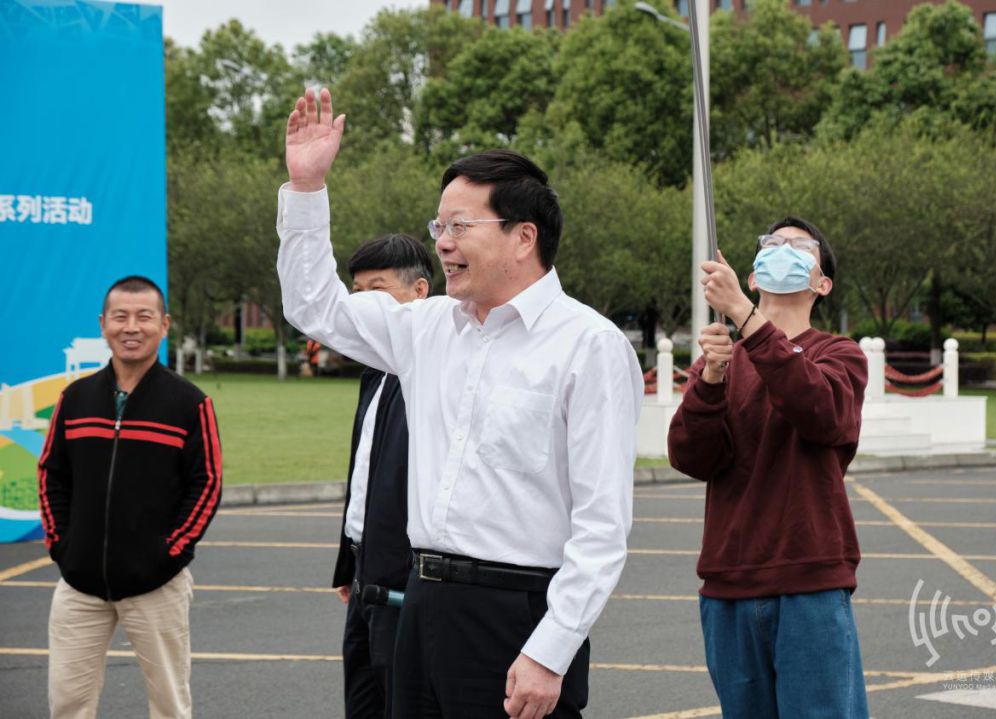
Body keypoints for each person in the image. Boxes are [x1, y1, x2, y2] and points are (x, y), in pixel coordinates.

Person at [276, 87, 643, 718]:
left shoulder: (589, 346)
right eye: (438, 227)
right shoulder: (425, 328)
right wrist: (307, 189)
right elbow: (314, 306)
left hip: (518, 615)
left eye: (460, 227)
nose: (442, 243)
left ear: (523, 237)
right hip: (421, 603)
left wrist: (551, 650)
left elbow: (602, 524)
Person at [668, 218, 870, 719]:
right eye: (773, 243)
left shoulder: (840, 354)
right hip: (728, 586)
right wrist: (710, 382)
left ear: (822, 283)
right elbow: (690, 456)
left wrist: (744, 315)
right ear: (754, 275)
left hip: (810, 584)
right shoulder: (721, 360)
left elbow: (820, 411)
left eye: (800, 246)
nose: (783, 248)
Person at [37, 275, 223, 719]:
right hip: (80, 584)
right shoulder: (75, 398)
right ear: (103, 324)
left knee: (169, 705)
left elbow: (207, 483)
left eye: (144, 316)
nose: (131, 327)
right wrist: (61, 545)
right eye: (120, 316)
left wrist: (169, 553)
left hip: (157, 584)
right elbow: (51, 475)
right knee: (67, 704)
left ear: (164, 325)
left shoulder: (189, 402)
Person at [332, 234, 433, 718]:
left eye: (378, 289)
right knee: (362, 705)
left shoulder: (433, 374)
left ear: (419, 292)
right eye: (356, 292)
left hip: (406, 583)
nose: (363, 304)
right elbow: (365, 474)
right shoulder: (375, 369)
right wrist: (348, 563)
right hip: (362, 574)